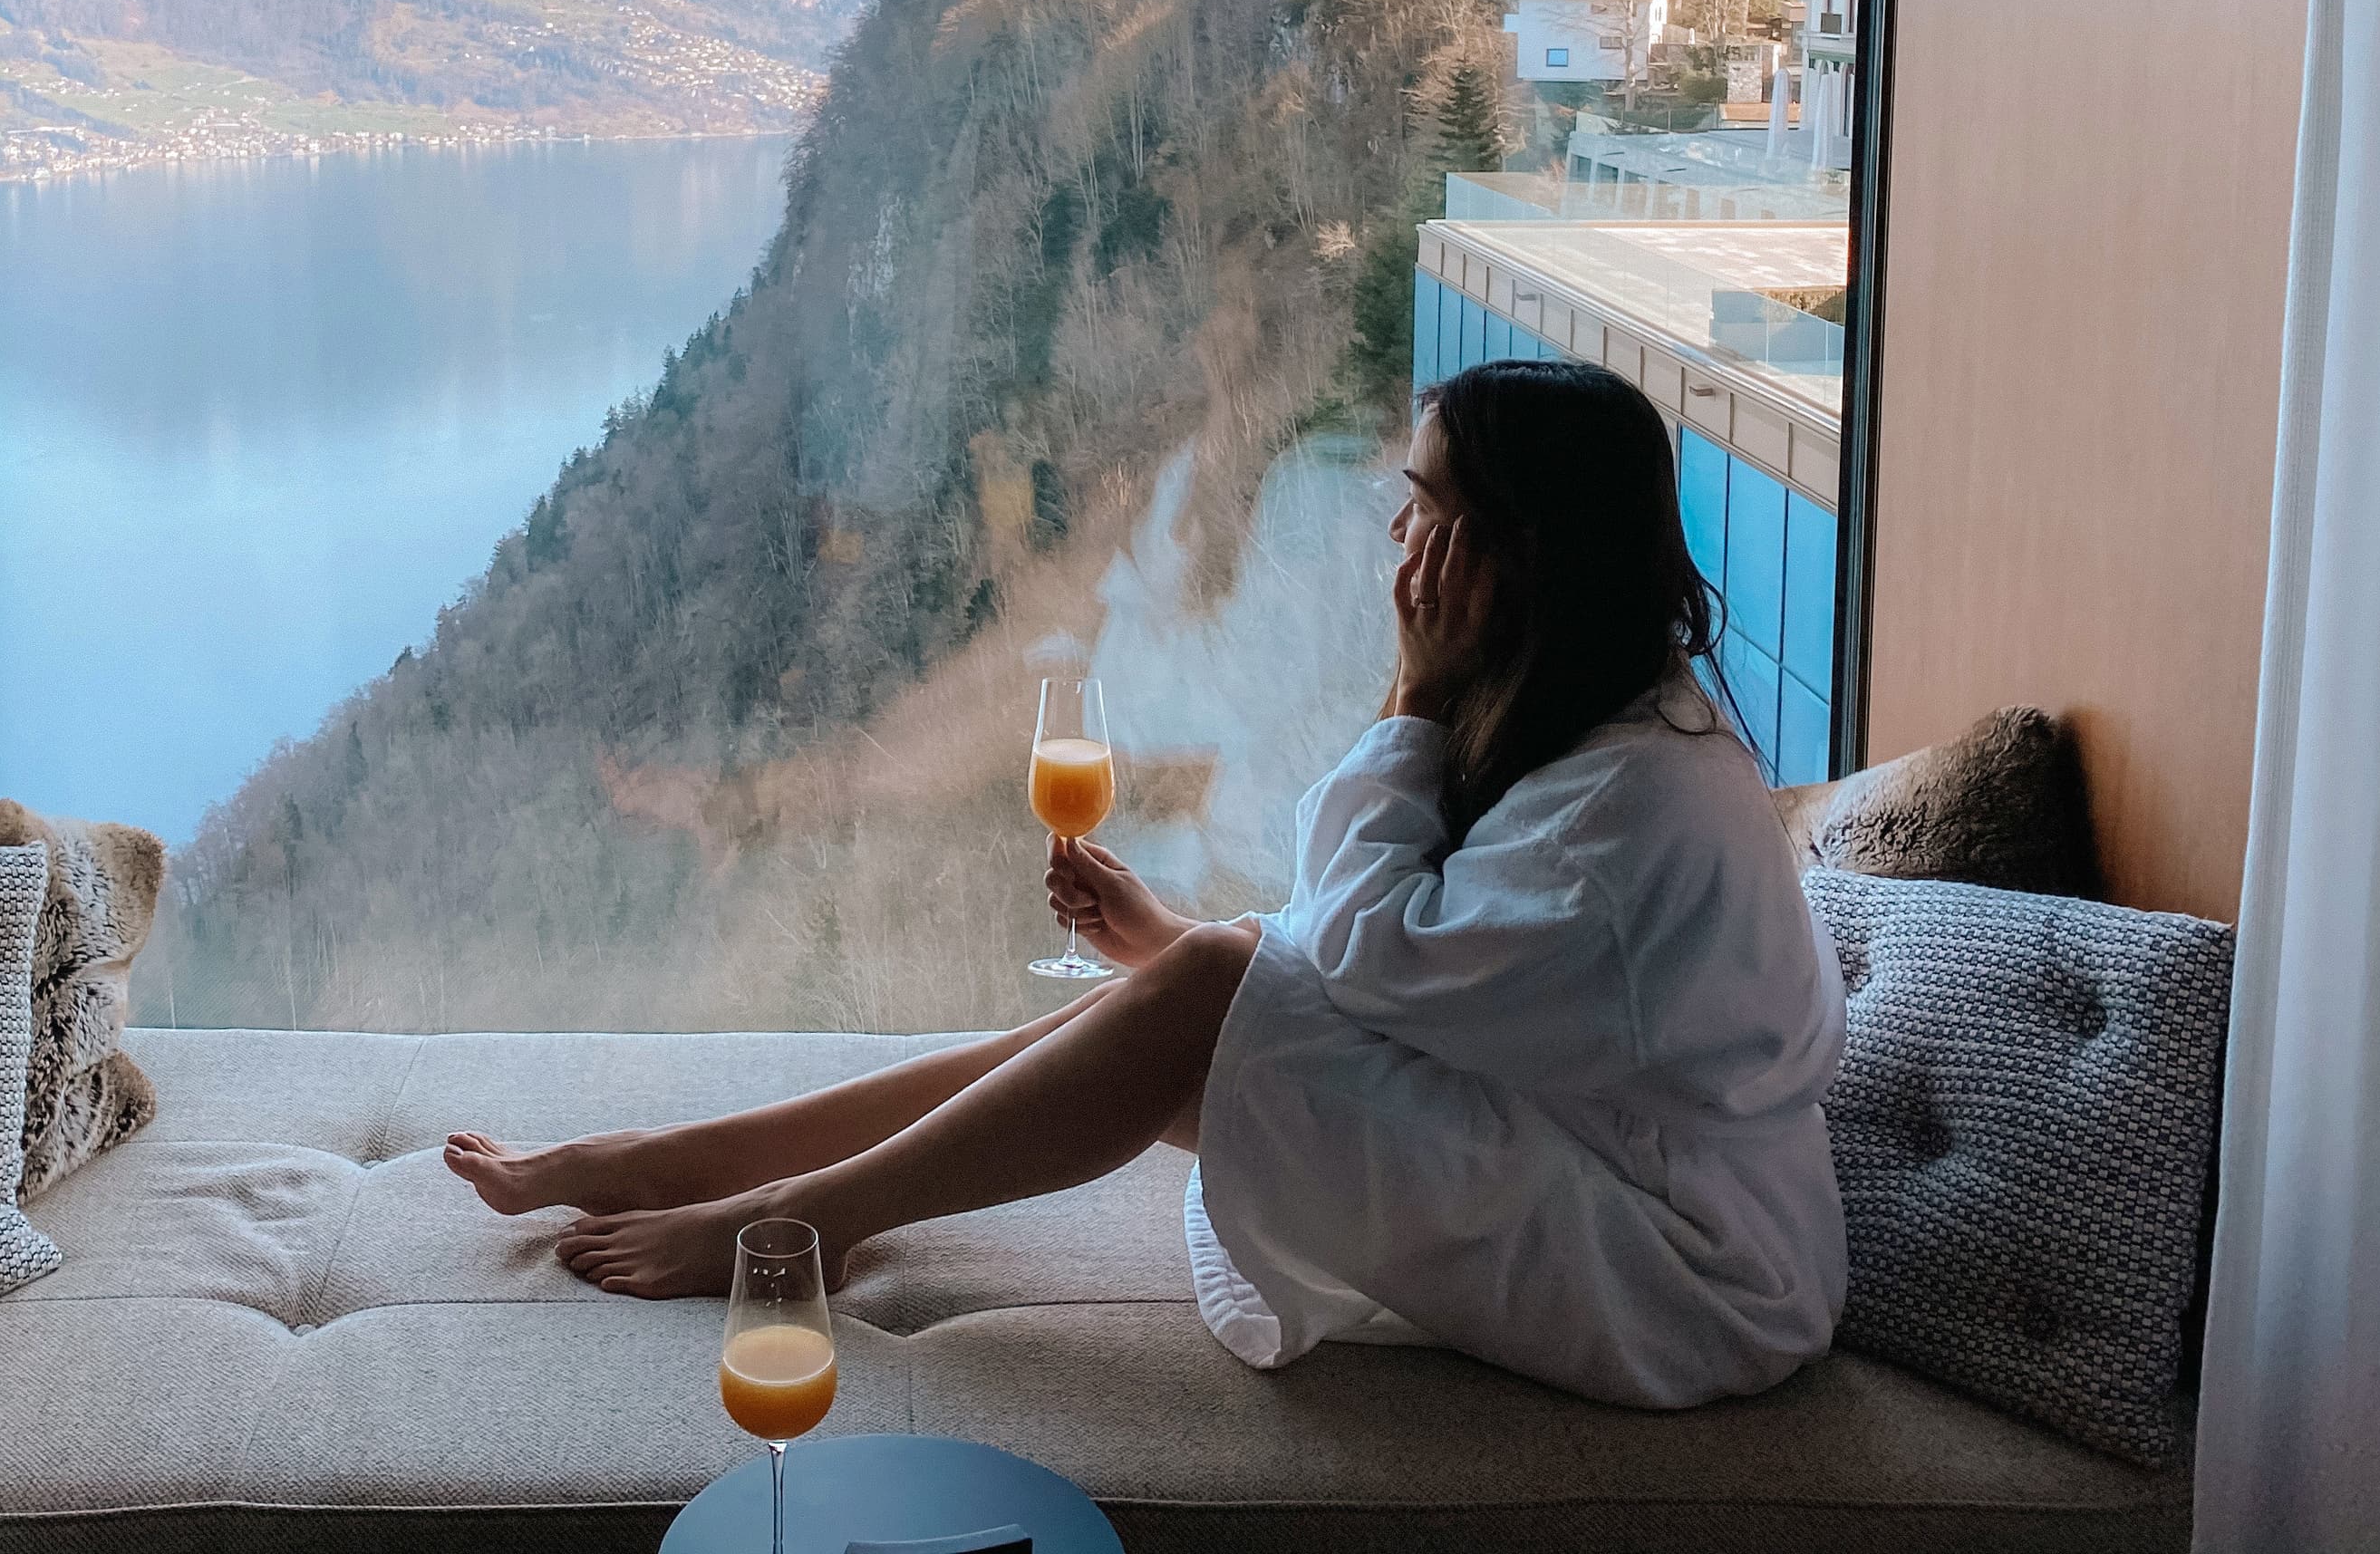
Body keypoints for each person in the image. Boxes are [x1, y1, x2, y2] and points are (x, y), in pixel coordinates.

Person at [444, 357, 1847, 1409]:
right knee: (1206, 973)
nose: (1400, 556)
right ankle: (682, 1165)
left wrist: (1412, 696)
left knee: (1219, 980)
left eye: (1427, 520)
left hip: (1680, 1277)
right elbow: (1433, 980)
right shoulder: (1605, 730)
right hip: (1607, 1177)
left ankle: (792, 1223)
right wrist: (1181, 945)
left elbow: (1368, 962)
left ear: (1518, 558)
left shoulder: (1630, 808)